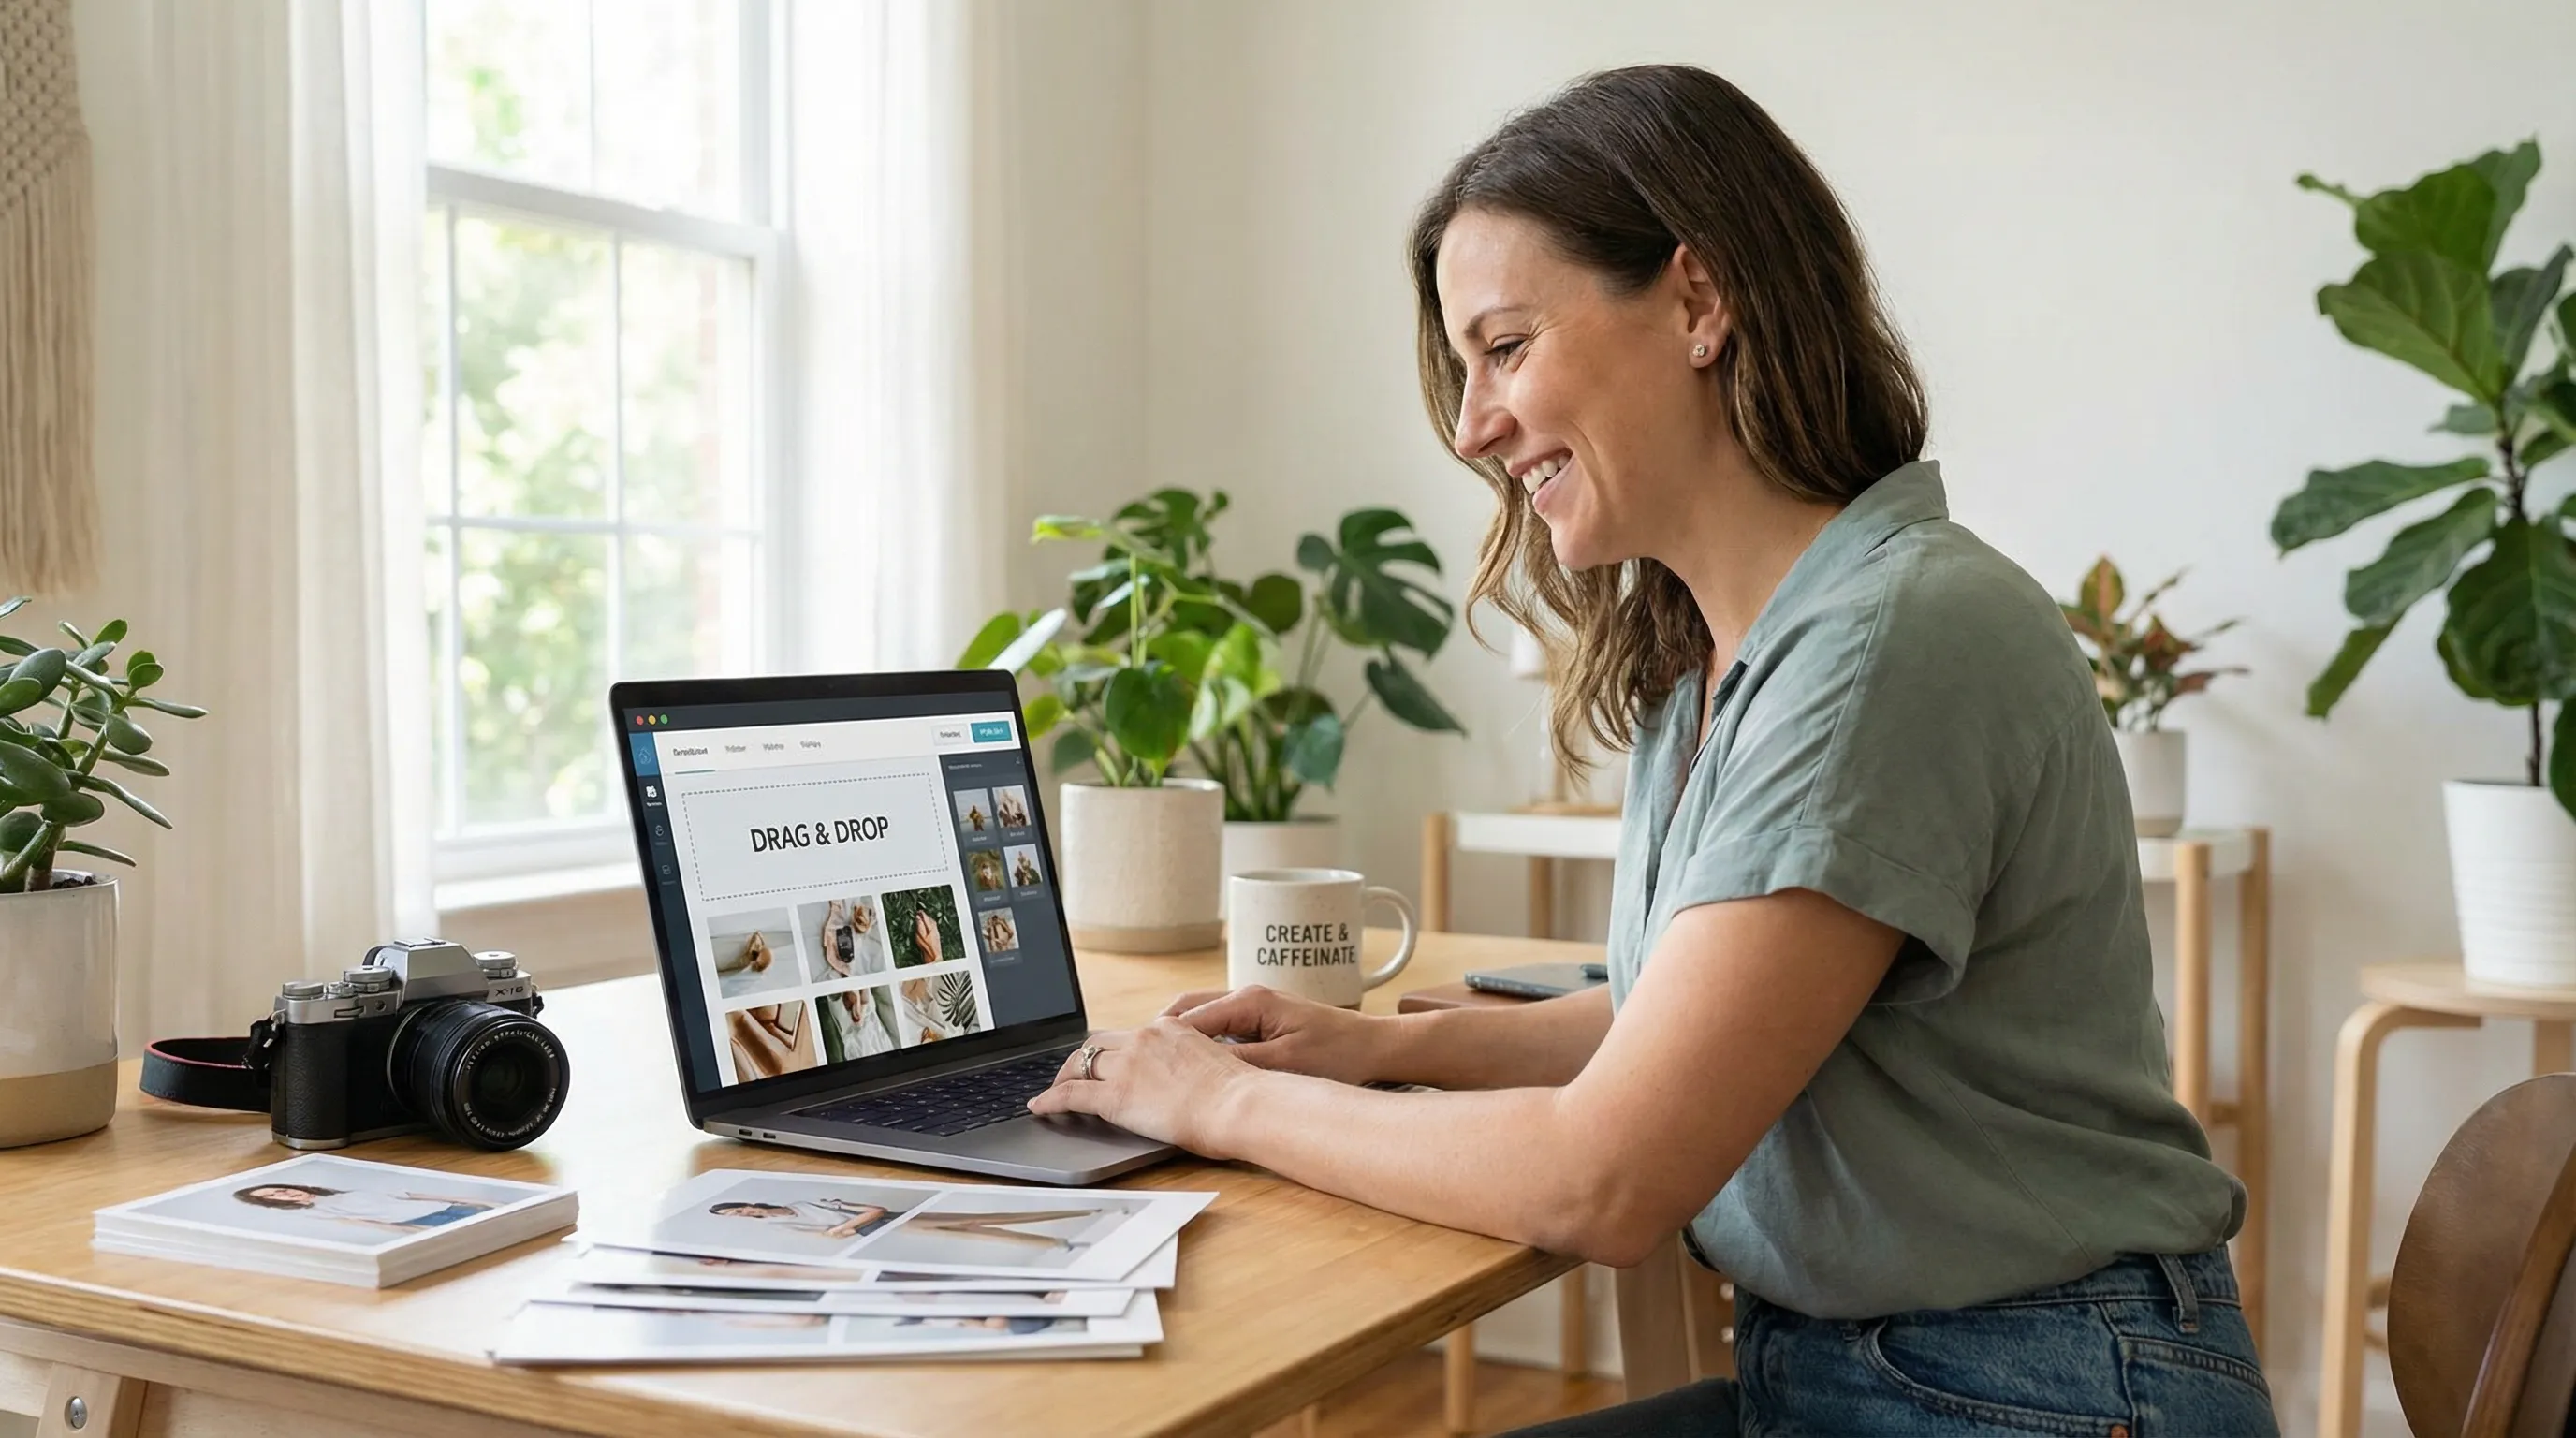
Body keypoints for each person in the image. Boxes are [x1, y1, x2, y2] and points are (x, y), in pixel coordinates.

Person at [1027, 64, 2273, 1436]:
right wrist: (1368, 1052)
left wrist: (1216, 1102)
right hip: (1884, 1374)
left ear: (1697, 300)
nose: (1472, 424)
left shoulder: (1888, 645)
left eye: (1505, 347)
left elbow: (1604, 1182)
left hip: (2027, 1392)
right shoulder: (1725, 658)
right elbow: (1684, 1027)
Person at [232, 1182, 494, 1235]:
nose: (284, 1193)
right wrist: (411, 1232)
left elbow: (410, 1194)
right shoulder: (319, 1213)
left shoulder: (345, 1191)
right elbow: (363, 1224)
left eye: (279, 1188)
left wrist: (467, 1201)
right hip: (428, 1222)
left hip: (446, 1208)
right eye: (275, 1196)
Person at [708, 1196, 900, 1241]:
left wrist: (844, 1209)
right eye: (737, 1216)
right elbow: (832, 1235)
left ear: (747, 1204)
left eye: (740, 1210)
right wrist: (868, 1217)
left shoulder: (803, 1203)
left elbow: (878, 1209)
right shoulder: (777, 1226)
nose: (746, 1214)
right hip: (866, 1229)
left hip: (872, 1218)